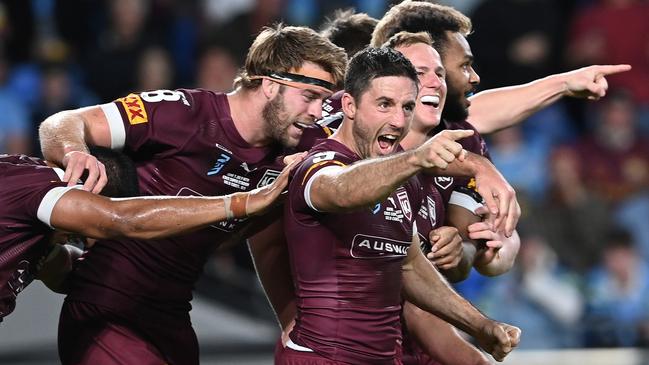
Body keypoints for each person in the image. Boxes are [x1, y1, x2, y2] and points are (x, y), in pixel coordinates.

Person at [37, 24, 347, 364]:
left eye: (321, 100)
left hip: (173, 318)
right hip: (109, 308)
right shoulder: (184, 113)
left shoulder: (297, 146)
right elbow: (61, 122)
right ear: (270, 85)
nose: (317, 112)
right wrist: (73, 152)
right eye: (309, 97)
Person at [278, 46, 520, 365]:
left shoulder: (402, 179)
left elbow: (411, 267)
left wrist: (482, 326)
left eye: (407, 107)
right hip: (322, 357)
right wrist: (416, 158)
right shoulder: (319, 165)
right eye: (384, 104)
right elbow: (342, 189)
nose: (397, 120)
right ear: (349, 105)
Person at [0, 146, 297, 322]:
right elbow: (122, 218)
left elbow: (64, 272)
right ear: (87, 195)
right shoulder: (48, 187)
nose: (69, 239)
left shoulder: (38, 227)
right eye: (80, 234)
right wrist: (245, 202)